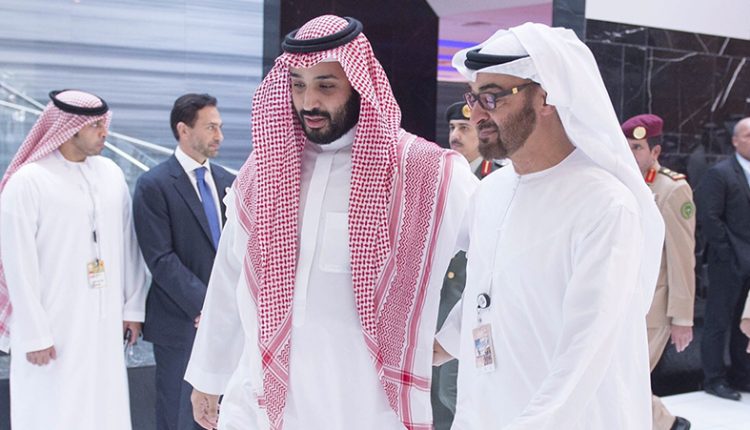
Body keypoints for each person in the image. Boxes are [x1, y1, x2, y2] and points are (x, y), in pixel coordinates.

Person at [184, 15, 476, 430]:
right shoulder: (264, 171)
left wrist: (451, 338)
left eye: (325, 85)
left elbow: (502, 256)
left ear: (359, 84)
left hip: (365, 408)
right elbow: (230, 276)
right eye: (297, 85)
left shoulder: (425, 173)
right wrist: (208, 377)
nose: (308, 102)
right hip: (266, 400)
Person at [434, 23, 664, 429]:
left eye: (492, 97)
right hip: (487, 411)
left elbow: (587, 351)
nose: (478, 114)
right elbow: (486, 295)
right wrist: (437, 345)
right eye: (474, 98)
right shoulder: (490, 193)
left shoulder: (605, 205)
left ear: (546, 97)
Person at [0, 89, 147, 429]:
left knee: (104, 407)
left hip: (104, 323)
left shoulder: (111, 174)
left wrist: (133, 308)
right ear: (68, 128)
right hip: (52, 328)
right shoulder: (28, 182)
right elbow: (17, 265)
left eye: (104, 124)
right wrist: (35, 334)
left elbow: (128, 244)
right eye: (96, 125)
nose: (104, 132)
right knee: (51, 409)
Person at [132, 93, 235, 430]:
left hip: (226, 324)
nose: (219, 136)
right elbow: (160, 259)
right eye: (210, 127)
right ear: (183, 129)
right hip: (181, 324)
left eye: (220, 127)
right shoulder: (154, 185)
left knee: (224, 415)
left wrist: (225, 309)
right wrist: (208, 305)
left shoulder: (228, 182)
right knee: (178, 416)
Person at [432, 101, 505, 429]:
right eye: (452, 128)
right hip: (440, 304)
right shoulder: (444, 176)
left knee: (454, 390)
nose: (455, 136)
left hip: (473, 306)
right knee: (436, 392)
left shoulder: (496, 181)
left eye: (464, 128)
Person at [623, 113, 694, 430]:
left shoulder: (671, 189)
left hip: (654, 306)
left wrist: (682, 318)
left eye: (638, 147)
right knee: (623, 376)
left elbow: (682, 257)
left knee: (628, 376)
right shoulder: (618, 183)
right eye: (627, 146)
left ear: (655, 152)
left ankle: (667, 424)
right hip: (622, 300)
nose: (631, 154)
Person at [695, 116, 750, 400]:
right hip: (727, 263)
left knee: (745, 321)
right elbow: (709, 217)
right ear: (735, 141)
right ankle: (714, 378)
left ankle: (742, 375)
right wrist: (728, 252)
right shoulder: (720, 173)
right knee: (718, 322)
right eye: (748, 135)